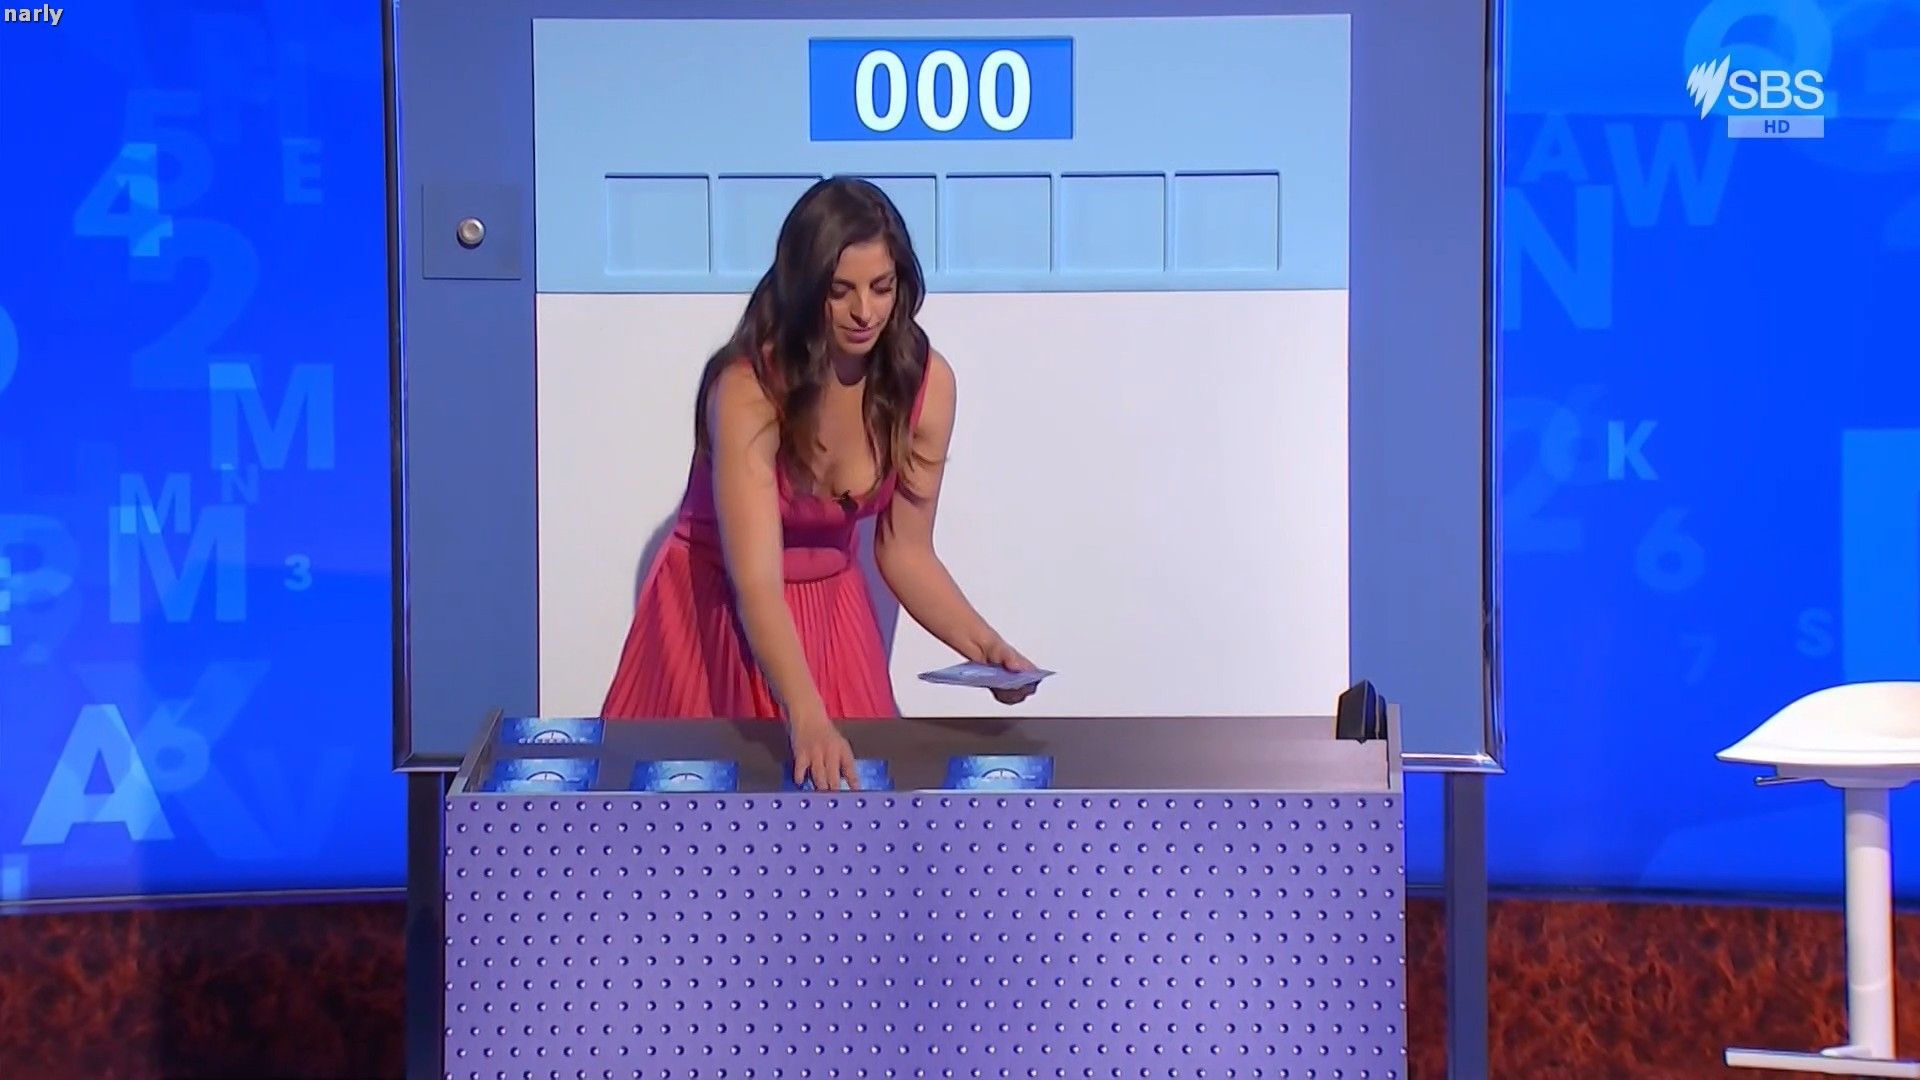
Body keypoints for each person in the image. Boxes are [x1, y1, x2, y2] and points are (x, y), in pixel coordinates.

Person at [600, 177, 1037, 791]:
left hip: (833, 614)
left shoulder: (926, 386)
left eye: (882, 287)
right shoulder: (748, 387)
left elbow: (905, 553)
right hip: (714, 610)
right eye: (840, 291)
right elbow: (756, 582)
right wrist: (807, 716)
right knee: (698, 827)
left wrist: (987, 649)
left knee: (853, 818)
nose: (865, 312)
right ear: (805, 289)